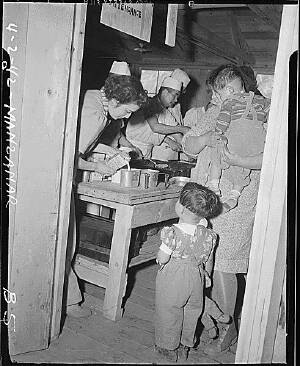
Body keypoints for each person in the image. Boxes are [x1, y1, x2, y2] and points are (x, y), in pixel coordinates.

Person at [181, 64, 266, 354]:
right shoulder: (214, 111)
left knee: (224, 264)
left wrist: (239, 162)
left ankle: (228, 328)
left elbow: (271, 155)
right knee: (204, 260)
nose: (216, 100)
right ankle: (215, 319)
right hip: (206, 197)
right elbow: (187, 143)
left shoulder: (259, 111)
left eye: (219, 94)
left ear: (233, 88)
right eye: (215, 96)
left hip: (237, 199)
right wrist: (205, 139)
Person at [65, 61, 148, 318]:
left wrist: (103, 154)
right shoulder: (97, 115)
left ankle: (68, 299)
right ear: (114, 101)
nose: (126, 118)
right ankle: (67, 302)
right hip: (57, 178)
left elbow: (80, 143)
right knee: (66, 244)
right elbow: (67, 155)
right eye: (126, 112)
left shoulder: (92, 96)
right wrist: (94, 166)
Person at [154, 182, 220, 362]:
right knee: (191, 312)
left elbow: (163, 257)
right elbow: (209, 260)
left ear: (181, 209)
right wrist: (206, 275)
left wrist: (159, 259)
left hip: (175, 276)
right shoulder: (208, 235)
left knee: (169, 310)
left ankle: (168, 347)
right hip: (197, 275)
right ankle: (185, 345)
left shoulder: (172, 233)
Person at [206, 65, 270, 212]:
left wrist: (218, 134)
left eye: (219, 95)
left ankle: (214, 185)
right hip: (256, 144)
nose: (219, 99)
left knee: (217, 153)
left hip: (236, 139)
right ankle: (235, 195)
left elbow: (223, 120)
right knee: (243, 167)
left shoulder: (230, 101)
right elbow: (270, 115)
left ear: (229, 91)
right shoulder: (260, 100)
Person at [126, 76, 190, 159]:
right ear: (165, 92)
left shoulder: (166, 113)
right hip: (131, 147)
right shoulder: (149, 103)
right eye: (175, 95)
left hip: (147, 150)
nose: (176, 100)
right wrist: (182, 128)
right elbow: (155, 127)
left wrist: (190, 154)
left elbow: (177, 135)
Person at [151, 68, 191, 160]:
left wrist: (188, 152)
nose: (177, 98)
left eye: (180, 93)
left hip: (174, 149)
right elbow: (154, 128)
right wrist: (169, 141)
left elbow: (176, 130)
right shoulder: (151, 105)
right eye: (176, 93)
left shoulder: (174, 106)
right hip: (159, 150)